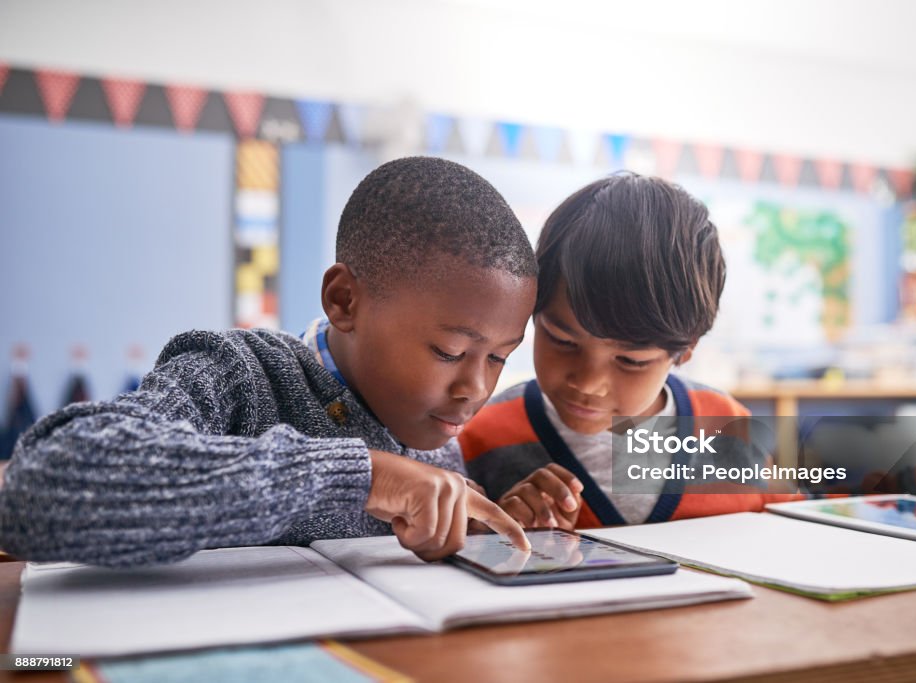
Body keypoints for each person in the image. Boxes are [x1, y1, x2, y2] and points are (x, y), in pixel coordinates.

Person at [0, 157, 535, 567]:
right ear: (345, 300)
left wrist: (484, 528)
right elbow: (40, 486)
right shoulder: (237, 374)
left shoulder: (438, 440)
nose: (474, 388)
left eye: (498, 359)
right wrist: (360, 476)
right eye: (449, 352)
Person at [460, 173, 802, 530]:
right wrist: (493, 532)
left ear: (685, 351)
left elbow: (793, 529)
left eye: (630, 361)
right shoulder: (481, 437)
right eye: (562, 340)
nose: (589, 383)